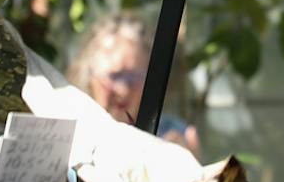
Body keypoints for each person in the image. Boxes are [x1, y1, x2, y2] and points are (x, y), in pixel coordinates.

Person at [67, 11, 201, 154]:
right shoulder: (69, 130)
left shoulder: (171, 136)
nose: (122, 89)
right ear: (89, 76)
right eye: (114, 76)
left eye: (133, 77)